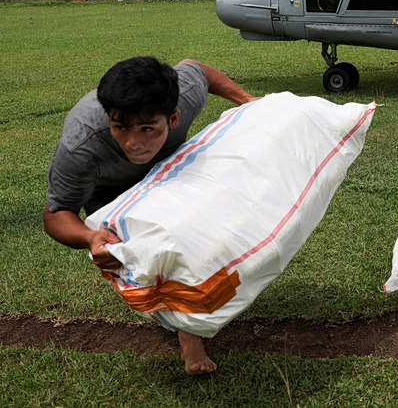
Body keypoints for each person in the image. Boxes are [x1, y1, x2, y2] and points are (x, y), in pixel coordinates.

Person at [43, 56, 258, 375]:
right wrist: (90, 237)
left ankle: (189, 333)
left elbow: (198, 69)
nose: (134, 142)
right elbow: (57, 213)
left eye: (147, 128)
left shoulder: (184, 93)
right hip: (110, 188)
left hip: (168, 168)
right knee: (142, 255)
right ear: (109, 118)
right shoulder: (81, 145)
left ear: (173, 119)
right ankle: (185, 326)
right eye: (121, 127)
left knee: (190, 237)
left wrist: (249, 102)